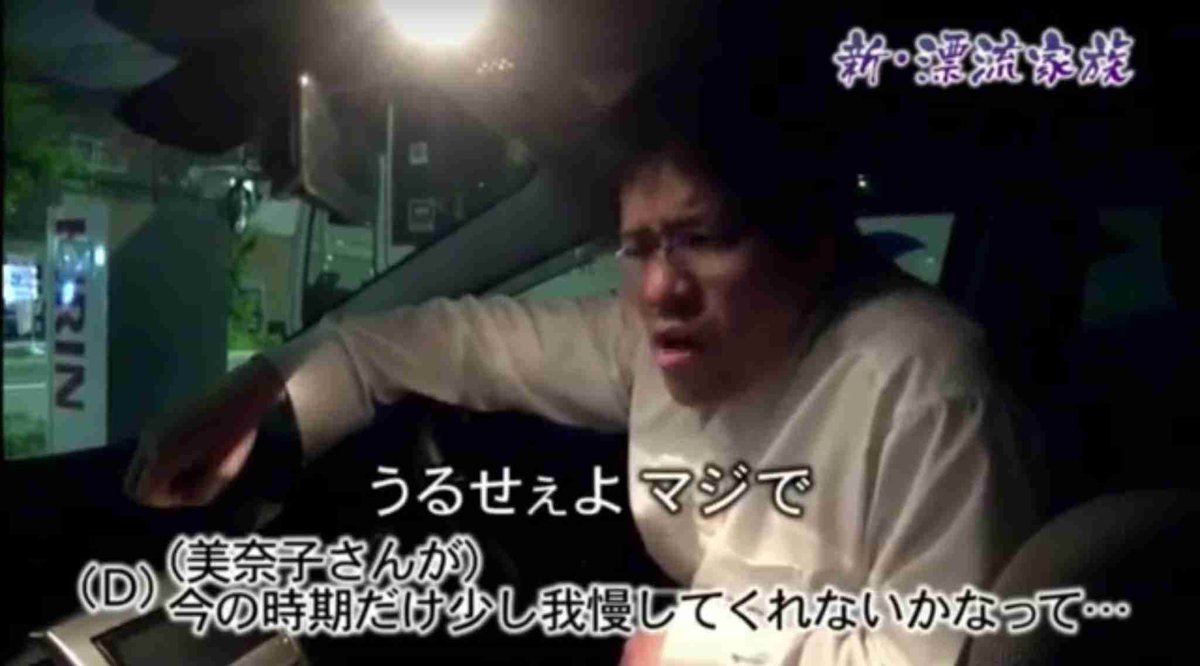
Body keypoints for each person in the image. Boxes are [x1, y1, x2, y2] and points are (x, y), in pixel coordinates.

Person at [125, 59, 1043, 665]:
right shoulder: (651, 339)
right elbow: (448, 341)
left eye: (703, 240)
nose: (659, 288)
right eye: (638, 248)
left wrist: (688, 644)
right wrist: (263, 382)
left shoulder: (923, 381)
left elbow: (942, 654)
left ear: (809, 240)